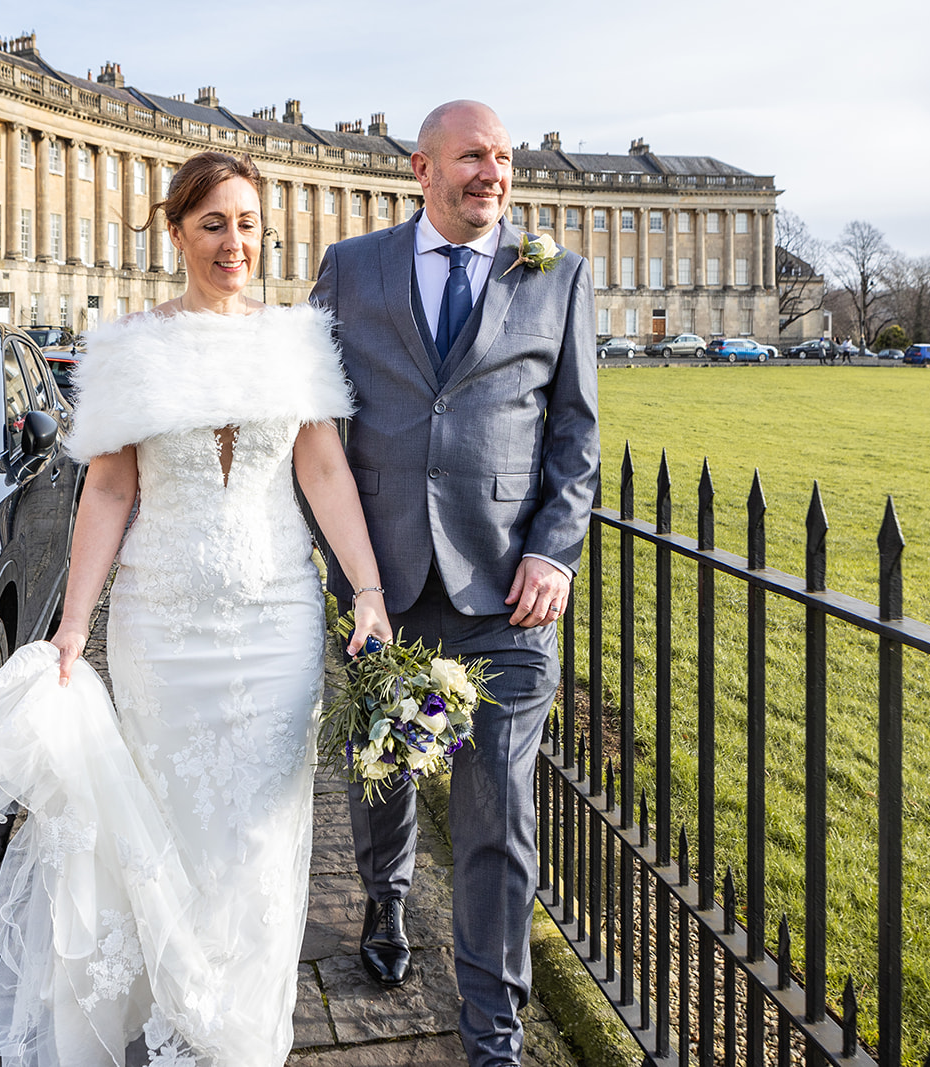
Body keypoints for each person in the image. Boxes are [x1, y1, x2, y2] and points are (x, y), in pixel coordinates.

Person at [0, 151, 392, 1067]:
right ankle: (175, 1016)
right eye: (215, 224)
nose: (236, 243)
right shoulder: (129, 348)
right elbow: (109, 491)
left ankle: (238, 1034)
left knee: (262, 834)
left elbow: (321, 469)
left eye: (249, 224)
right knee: (171, 822)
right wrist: (73, 623)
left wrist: (367, 588)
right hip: (163, 624)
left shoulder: (296, 340)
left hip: (277, 622)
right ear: (177, 232)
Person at [309, 101, 600, 1067]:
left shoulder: (556, 276)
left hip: (511, 596)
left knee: (497, 822)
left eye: (505, 158)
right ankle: (385, 898)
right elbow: (321, 434)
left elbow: (576, 435)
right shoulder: (352, 269)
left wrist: (554, 551)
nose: (495, 173)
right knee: (380, 775)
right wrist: (355, 582)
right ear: (422, 169)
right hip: (385, 587)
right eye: (474, 155)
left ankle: (494, 1032)